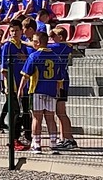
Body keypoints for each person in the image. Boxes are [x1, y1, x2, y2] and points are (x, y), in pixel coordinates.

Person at [20, 30, 65, 154]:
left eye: (34, 41)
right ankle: (53, 144)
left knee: (36, 118)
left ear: (38, 43)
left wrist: (20, 90)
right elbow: (59, 79)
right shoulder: (56, 57)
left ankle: (36, 144)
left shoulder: (34, 56)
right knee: (50, 119)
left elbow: (25, 75)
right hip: (51, 92)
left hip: (37, 91)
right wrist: (57, 92)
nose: (33, 43)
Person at [0, 23, 34, 150]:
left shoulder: (23, 47)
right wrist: (7, 85)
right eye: (12, 31)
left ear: (21, 32)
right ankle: (12, 140)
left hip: (23, 85)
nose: (14, 33)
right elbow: (4, 68)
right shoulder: (7, 46)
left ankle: (26, 136)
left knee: (25, 112)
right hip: (13, 86)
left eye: (16, 30)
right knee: (15, 113)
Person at [47, 24, 79, 152]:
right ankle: (64, 138)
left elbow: (42, 46)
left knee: (61, 112)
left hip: (61, 82)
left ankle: (69, 138)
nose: (51, 39)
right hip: (60, 81)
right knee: (59, 112)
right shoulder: (64, 47)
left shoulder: (61, 46)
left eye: (53, 36)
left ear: (60, 37)